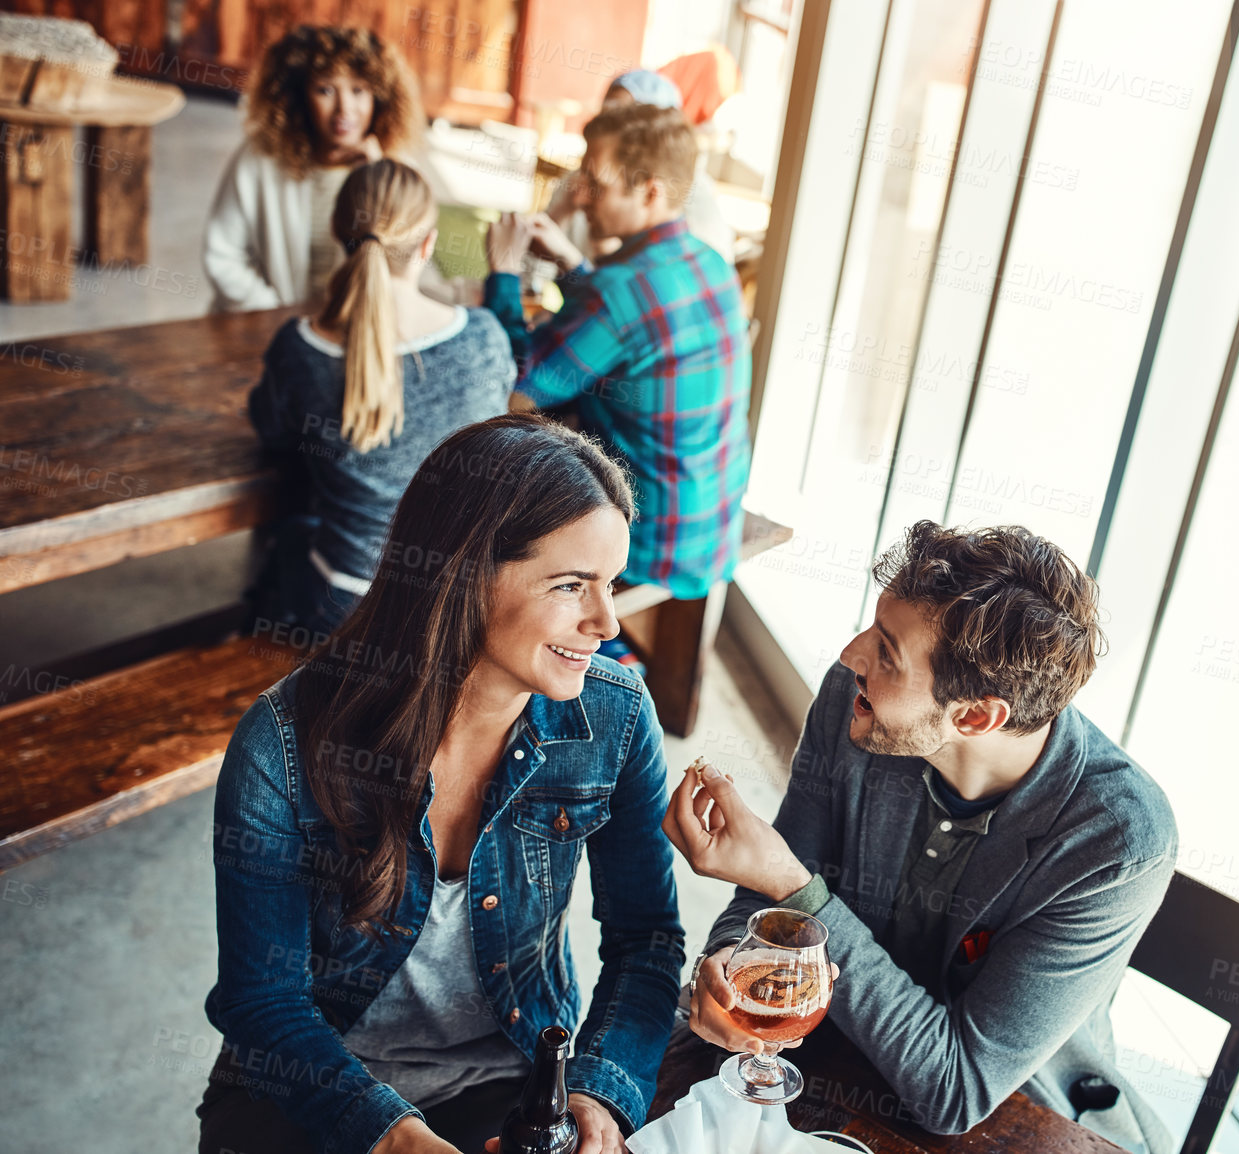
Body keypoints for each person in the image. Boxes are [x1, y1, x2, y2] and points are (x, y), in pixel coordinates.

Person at [199, 415, 684, 1154]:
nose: (607, 621)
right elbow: (263, 1000)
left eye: (610, 583)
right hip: (310, 1079)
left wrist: (600, 1092)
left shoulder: (617, 719)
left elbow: (645, 939)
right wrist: (392, 1136)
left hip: (513, 1078)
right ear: (463, 574)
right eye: (570, 585)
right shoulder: (284, 744)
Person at [664, 521, 1179, 1154]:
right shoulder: (855, 706)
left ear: (975, 716)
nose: (852, 655)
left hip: (1013, 1122)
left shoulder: (1119, 842)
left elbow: (954, 1092)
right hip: (831, 1056)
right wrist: (727, 964)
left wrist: (793, 887)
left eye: (887, 652)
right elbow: (773, 905)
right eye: (872, 631)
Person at [482, 101, 752, 603]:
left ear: (650, 191)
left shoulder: (618, 291)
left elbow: (515, 392)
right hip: (710, 525)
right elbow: (636, 321)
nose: (580, 194)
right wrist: (572, 264)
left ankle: (608, 646)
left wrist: (503, 273)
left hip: (648, 543)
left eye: (596, 182)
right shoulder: (709, 260)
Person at [247, 158, 515, 635]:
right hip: (455, 606)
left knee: (282, 542)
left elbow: (273, 431)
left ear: (337, 233)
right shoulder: (484, 336)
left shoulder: (301, 347)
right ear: (427, 244)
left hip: (344, 603)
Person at [205, 25, 426, 312]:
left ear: (379, 97)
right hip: (264, 325)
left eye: (358, 90)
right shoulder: (259, 158)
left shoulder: (398, 172)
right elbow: (223, 256)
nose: (344, 109)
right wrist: (274, 316)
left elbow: (403, 271)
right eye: (325, 90)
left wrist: (376, 179)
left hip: (353, 329)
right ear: (298, 97)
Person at [543, 70, 735, 264]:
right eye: (609, 115)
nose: (610, 129)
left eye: (630, 122)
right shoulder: (582, 179)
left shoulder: (696, 205)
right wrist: (560, 214)